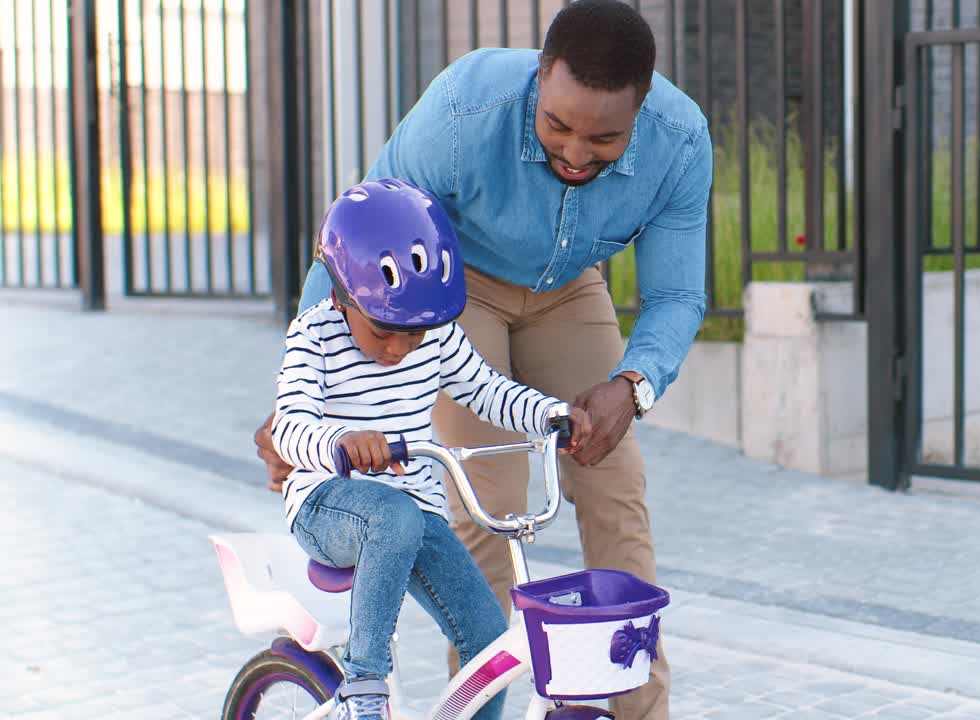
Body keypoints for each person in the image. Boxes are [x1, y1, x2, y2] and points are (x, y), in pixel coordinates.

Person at [255, 2, 712, 717]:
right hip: (455, 291)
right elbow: (357, 239)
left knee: (613, 484)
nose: (575, 153)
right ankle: (481, 707)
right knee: (485, 495)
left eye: (604, 139)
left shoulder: (680, 142)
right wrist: (300, 402)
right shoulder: (467, 108)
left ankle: (639, 711)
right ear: (540, 77)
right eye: (558, 125)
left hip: (567, 289)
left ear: (643, 108)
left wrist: (633, 384)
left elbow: (679, 294)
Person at [272, 178, 591, 720]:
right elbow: (289, 427)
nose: (399, 347)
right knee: (392, 516)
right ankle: (363, 683)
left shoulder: (434, 332)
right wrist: (340, 443)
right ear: (340, 297)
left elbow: (484, 388)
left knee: (489, 636)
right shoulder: (314, 333)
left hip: (414, 511)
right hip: (328, 502)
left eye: (413, 334)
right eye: (381, 331)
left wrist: (549, 414)